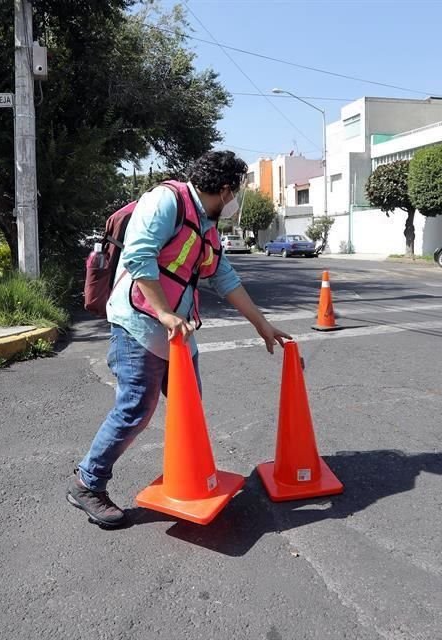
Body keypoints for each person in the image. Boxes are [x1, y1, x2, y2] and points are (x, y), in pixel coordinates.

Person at [67, 150, 291, 528]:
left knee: (190, 407)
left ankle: (188, 477)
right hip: (138, 323)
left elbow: (223, 275)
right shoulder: (165, 201)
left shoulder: (206, 223)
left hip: (176, 332)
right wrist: (165, 312)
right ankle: (87, 483)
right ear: (224, 189)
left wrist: (261, 324)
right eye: (236, 192)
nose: (236, 200)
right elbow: (139, 258)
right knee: (136, 408)